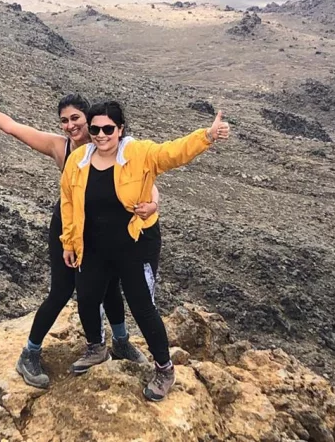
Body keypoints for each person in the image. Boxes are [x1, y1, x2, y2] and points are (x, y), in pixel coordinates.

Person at [0, 88, 160, 389]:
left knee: (111, 286)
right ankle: (29, 353)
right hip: (69, 228)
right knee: (62, 290)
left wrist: (153, 202)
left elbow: (145, 175)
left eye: (76, 119)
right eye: (64, 120)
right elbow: (12, 127)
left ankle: (120, 342)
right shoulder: (62, 147)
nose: (70, 126)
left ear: (91, 119)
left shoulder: (115, 143)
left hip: (105, 231)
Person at [60, 101, 230, 401]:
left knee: (141, 306)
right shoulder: (78, 161)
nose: (101, 135)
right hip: (96, 245)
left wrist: (208, 135)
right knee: (87, 298)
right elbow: (69, 204)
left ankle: (164, 369)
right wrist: (69, 243)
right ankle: (97, 348)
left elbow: (172, 152)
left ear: (120, 129)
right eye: (95, 129)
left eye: (108, 129)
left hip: (135, 243)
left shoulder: (138, 153)